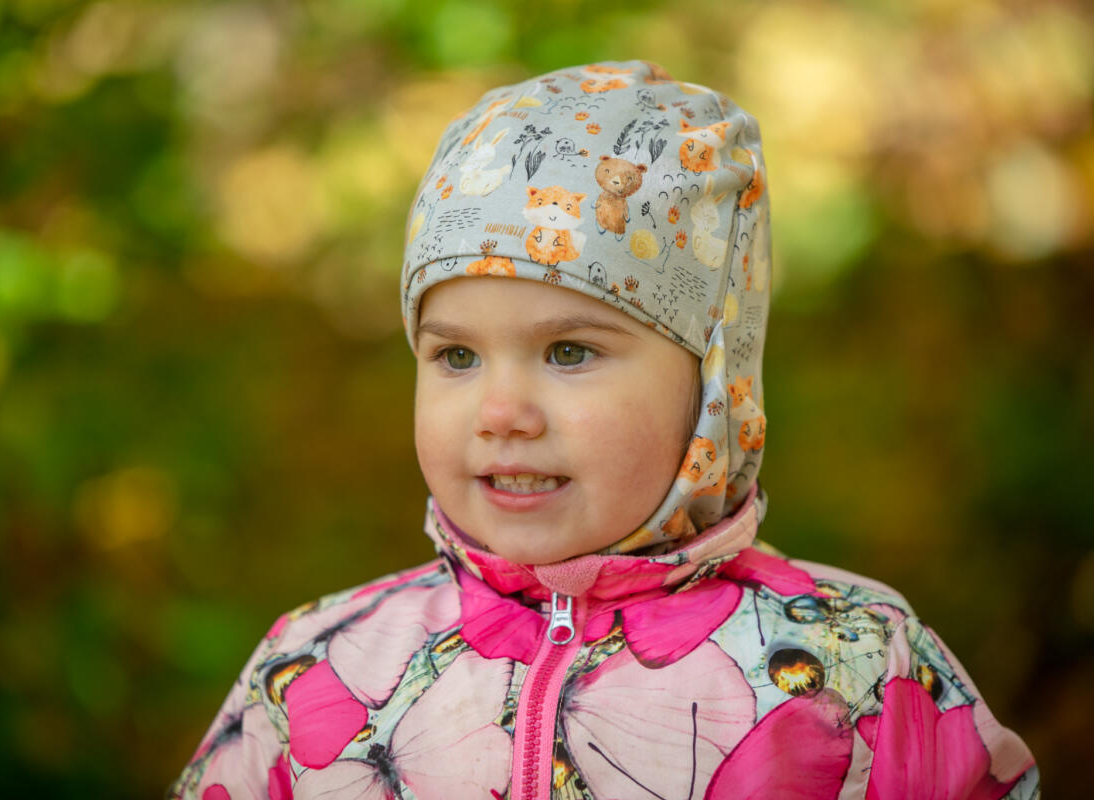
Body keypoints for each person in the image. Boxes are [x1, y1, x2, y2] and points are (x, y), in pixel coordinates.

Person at [170, 60, 1038, 799]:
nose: (501, 414)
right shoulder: (319, 664)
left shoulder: (853, 661)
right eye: (457, 357)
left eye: (570, 352)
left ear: (712, 381)